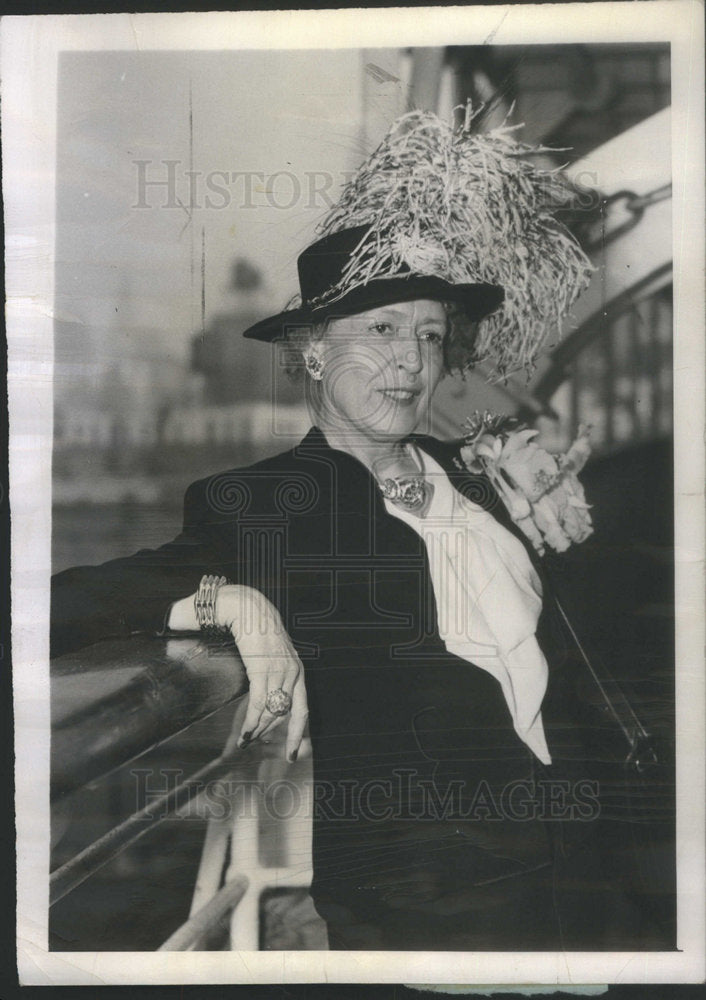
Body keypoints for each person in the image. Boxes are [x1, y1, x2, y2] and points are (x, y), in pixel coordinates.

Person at [51, 110, 660, 950]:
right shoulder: (265, 502)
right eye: (380, 330)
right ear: (310, 350)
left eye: (429, 334)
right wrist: (225, 601)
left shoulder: (473, 478)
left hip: (587, 875)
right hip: (433, 908)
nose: (410, 361)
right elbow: (62, 603)